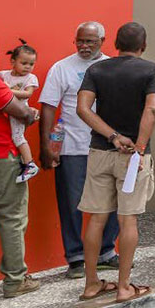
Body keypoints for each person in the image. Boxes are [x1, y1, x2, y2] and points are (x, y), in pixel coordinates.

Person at [77, 22, 155, 302]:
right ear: (144, 45)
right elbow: (152, 109)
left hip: (100, 151)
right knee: (128, 220)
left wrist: (113, 136)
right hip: (134, 156)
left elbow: (82, 108)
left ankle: (91, 284)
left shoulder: (96, 69)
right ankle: (124, 286)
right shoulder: (153, 71)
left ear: (114, 43)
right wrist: (137, 147)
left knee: (96, 219)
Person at [38, 21, 120, 279]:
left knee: (113, 201)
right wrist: (46, 146)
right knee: (71, 204)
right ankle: (75, 258)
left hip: (106, 146)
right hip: (72, 147)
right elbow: (49, 107)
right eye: (80, 41)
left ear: (102, 41)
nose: (84, 46)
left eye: (90, 42)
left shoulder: (111, 68)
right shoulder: (62, 68)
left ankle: (106, 252)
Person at [0, 75, 40, 298]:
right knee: (12, 218)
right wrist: (30, 115)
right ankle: (15, 280)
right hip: (2, 156)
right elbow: (21, 113)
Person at [0, 39, 39, 183]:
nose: (28, 67)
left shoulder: (30, 78)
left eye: (31, 64)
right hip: (8, 111)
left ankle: (30, 164)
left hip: (18, 112)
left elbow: (28, 94)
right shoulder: (3, 75)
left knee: (18, 137)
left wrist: (7, 91)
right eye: (24, 63)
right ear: (13, 61)